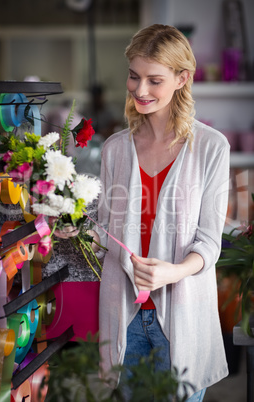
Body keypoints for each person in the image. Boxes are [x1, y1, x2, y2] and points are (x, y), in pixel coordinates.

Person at [93, 24, 230, 401]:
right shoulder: (115, 150)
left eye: (154, 80)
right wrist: (78, 226)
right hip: (125, 317)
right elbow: (106, 230)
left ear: (182, 79)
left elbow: (209, 242)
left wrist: (174, 271)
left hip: (182, 316)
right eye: (134, 77)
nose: (140, 90)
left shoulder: (210, 148)